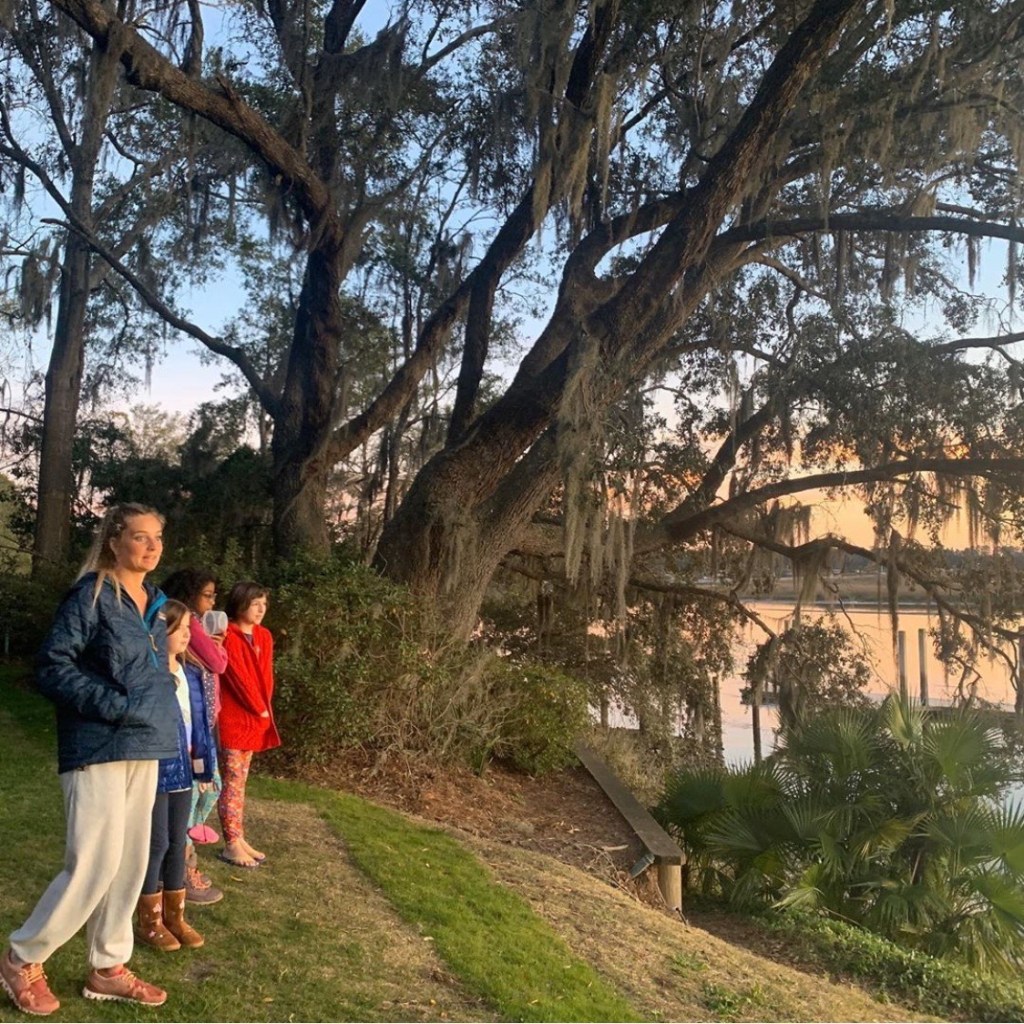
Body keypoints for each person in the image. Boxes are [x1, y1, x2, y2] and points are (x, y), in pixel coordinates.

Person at [0, 504, 177, 1015]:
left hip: (146, 743)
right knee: (95, 863)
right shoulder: (92, 595)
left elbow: (151, 673)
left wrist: (161, 703)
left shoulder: (156, 604)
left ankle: (109, 966)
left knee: (130, 863)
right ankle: (21, 957)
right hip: (98, 745)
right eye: (140, 537)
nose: (152, 546)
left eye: (157, 537)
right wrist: (114, 706)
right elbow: (53, 665)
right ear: (114, 541)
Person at [135, 600, 216, 952]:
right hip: (156, 769)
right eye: (179, 628)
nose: (186, 635)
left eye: (188, 629)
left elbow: (200, 726)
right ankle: (149, 921)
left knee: (178, 842)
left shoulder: (191, 674)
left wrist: (203, 767)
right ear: (159, 631)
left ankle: (175, 917)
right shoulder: (149, 675)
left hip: (184, 769)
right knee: (157, 843)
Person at [160, 569, 227, 905]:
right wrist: (220, 650)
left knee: (208, 787)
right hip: (185, 738)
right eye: (207, 594)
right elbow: (218, 662)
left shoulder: (190, 626)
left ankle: (182, 857)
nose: (212, 601)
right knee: (198, 792)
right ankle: (183, 866)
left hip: (199, 728)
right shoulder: (186, 621)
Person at [217, 581, 280, 869]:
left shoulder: (263, 636)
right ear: (240, 603)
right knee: (231, 781)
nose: (260, 609)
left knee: (240, 782)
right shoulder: (227, 634)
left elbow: (265, 677)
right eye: (255, 603)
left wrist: (264, 709)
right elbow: (238, 678)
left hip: (255, 720)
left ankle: (239, 837)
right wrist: (259, 708)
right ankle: (231, 842)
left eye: (264, 604)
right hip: (233, 719)